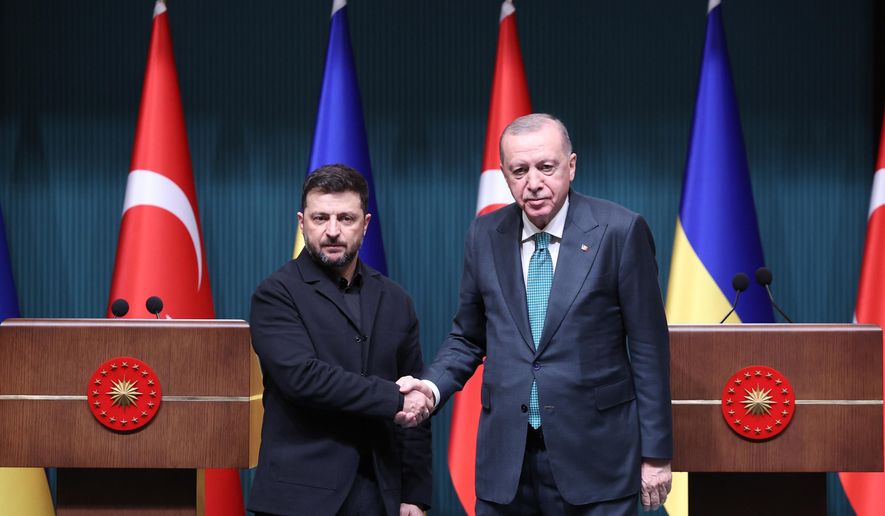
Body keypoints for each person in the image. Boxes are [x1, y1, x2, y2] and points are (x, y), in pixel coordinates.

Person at [399, 114, 673, 515]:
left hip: (597, 458)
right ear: (505, 175)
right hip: (507, 464)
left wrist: (656, 455)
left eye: (546, 167)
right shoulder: (484, 234)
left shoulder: (619, 231)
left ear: (571, 166)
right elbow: (468, 336)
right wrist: (430, 387)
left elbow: (648, 348)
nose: (533, 182)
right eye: (519, 171)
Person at [248, 164, 432, 516]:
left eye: (346, 218)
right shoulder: (275, 294)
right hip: (299, 498)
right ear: (302, 223)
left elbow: (415, 399)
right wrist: (394, 398)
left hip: (380, 493)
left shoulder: (396, 299)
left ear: (365, 224)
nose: (332, 231)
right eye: (320, 218)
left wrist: (415, 494)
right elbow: (303, 378)